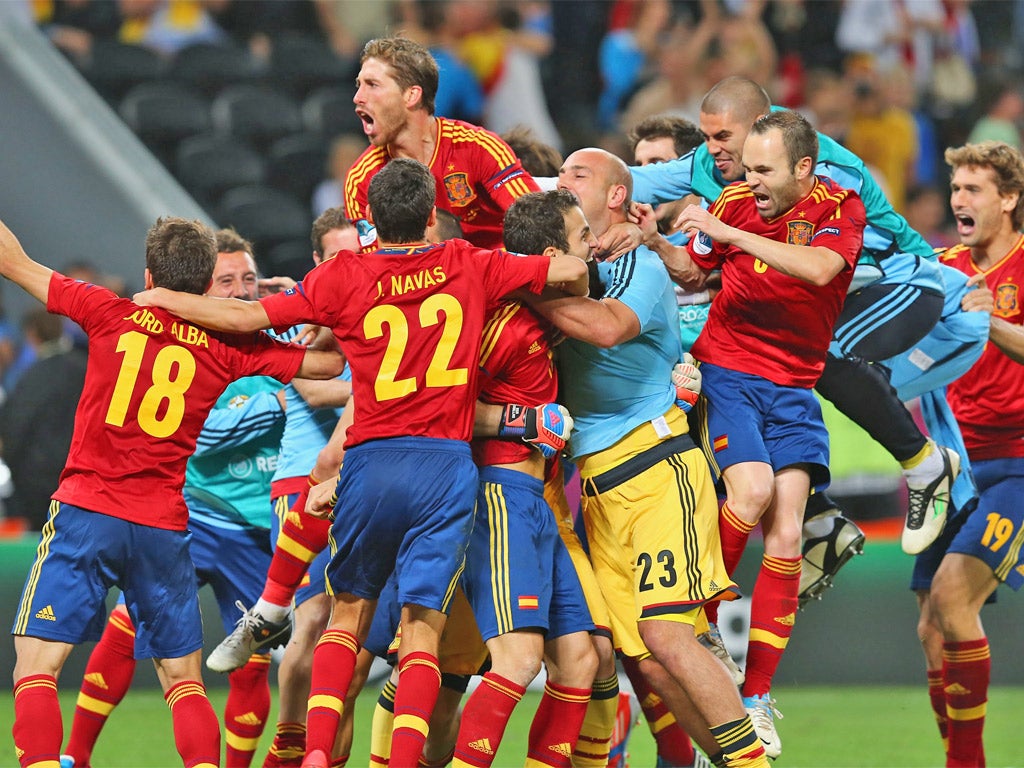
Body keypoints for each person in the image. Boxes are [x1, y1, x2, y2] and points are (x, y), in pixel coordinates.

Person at [132, 158, 589, 768]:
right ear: (432, 217)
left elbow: (244, 318)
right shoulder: (466, 263)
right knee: (421, 626)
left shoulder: (343, 275)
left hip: (370, 463)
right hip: (445, 468)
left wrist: (161, 296)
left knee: (345, 616)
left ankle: (317, 754)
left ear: (370, 218)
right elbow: (568, 267)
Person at [6, 216, 343, 768]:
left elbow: (14, 261)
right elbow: (329, 363)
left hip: (87, 511)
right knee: (183, 681)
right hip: (163, 525)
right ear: (207, 282)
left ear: (148, 274)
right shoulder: (228, 345)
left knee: (37, 669)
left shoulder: (108, 309)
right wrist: (314, 317)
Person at [631, 75, 961, 564]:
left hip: (900, 280)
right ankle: (819, 522)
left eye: (722, 137)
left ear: (759, 129)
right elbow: (628, 182)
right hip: (828, 295)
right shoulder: (720, 175)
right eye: (706, 138)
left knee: (816, 352)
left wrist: (729, 238)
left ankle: (922, 460)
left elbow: (820, 267)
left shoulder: (832, 177)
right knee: (753, 375)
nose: (711, 150)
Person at [530, 146, 769, 768]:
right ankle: (732, 758)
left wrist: (524, 292)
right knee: (647, 664)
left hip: (658, 466)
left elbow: (608, 328)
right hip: (600, 487)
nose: (565, 181)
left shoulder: (638, 260)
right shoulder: (572, 267)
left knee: (667, 632)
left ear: (616, 197)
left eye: (579, 175)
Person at [641, 110, 866, 758]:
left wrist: (724, 229)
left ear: (803, 167)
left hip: (794, 387)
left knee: (791, 530)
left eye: (766, 169)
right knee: (750, 492)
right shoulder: (735, 204)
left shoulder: (838, 209)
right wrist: (661, 244)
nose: (751, 179)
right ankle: (696, 618)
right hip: (730, 373)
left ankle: (756, 695)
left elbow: (822, 270)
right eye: (750, 166)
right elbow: (695, 271)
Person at [60, 230, 296, 768]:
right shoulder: (194, 345)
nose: (239, 293)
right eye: (226, 282)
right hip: (193, 515)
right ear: (198, 289)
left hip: (258, 530)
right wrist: (285, 401)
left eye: (249, 281)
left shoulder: (272, 341)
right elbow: (210, 437)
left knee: (252, 662)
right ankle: (76, 754)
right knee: (124, 630)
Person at [452, 189, 599, 767]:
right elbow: (448, 407)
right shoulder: (500, 321)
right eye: (582, 238)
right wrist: (523, 419)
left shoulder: (549, 310)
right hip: (499, 494)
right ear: (549, 253)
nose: (590, 251)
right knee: (516, 660)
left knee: (581, 659)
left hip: (539, 498)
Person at [914, 140, 1024, 768]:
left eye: (974, 189)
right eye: (956, 189)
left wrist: (990, 320)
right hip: (949, 466)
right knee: (931, 628)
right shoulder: (941, 268)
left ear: (1008, 200)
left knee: (955, 601)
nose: (959, 199)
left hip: (1014, 461)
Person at [343, 36, 540, 251]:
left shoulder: (478, 147)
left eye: (372, 85)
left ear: (411, 96)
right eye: (359, 85)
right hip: (425, 281)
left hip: (498, 275)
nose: (358, 97)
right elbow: (377, 267)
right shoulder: (361, 181)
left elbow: (538, 221)